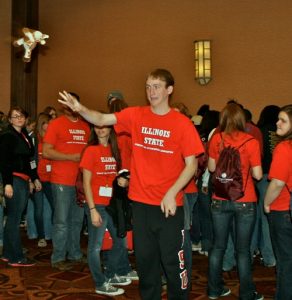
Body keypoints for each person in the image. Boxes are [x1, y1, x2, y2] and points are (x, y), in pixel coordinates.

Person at [58, 68, 204, 300]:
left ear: (169, 90)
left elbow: (191, 165)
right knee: (146, 267)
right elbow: (103, 119)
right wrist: (80, 109)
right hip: (140, 204)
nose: (151, 91)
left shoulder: (182, 124)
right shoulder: (136, 115)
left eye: (156, 86)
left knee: (174, 266)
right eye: (148, 86)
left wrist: (171, 192)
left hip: (169, 206)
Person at [207, 103, 263, 300]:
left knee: (218, 247)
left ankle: (214, 290)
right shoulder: (251, 141)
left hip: (219, 199)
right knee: (243, 249)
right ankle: (247, 293)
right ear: (242, 119)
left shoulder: (216, 139)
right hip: (245, 200)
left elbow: (212, 169)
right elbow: (257, 175)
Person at [81, 124, 133, 296]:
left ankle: (110, 274)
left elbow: (116, 175)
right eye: (97, 126)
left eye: (104, 126)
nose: (101, 129)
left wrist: (122, 181)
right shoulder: (90, 151)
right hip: (97, 204)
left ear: (110, 129)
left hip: (112, 204)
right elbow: (86, 182)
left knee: (120, 241)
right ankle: (100, 282)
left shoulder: (114, 150)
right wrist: (92, 209)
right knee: (95, 247)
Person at [43, 93, 90, 271]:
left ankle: (75, 253)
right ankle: (58, 257)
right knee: (61, 221)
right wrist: (72, 157)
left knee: (77, 221)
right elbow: (47, 152)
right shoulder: (56, 124)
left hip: (80, 181)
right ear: (63, 106)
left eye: (75, 103)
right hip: (61, 179)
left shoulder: (86, 126)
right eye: (69, 104)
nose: (72, 107)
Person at [0, 106, 42, 266]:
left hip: (23, 180)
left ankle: (8, 254)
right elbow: (4, 162)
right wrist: (8, 184)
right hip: (14, 180)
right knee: (14, 218)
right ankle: (16, 257)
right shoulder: (7, 136)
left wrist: (34, 178)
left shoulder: (23, 134)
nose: (19, 118)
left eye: (21, 116)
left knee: (13, 217)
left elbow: (29, 160)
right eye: (15, 116)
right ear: (9, 120)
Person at [264, 104, 292, 300]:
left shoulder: (284, 148)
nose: (277, 123)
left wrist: (266, 203)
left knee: (286, 262)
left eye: (283, 120)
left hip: (284, 210)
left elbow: (278, 183)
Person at [250, 105, 280, 267]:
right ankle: (270, 256)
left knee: (260, 215)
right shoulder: (282, 132)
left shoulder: (259, 130)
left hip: (262, 177)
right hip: (280, 177)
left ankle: (258, 251)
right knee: (271, 217)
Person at [27, 113, 54, 247]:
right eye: (47, 122)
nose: (49, 125)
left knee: (56, 207)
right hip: (37, 179)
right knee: (38, 209)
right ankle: (41, 236)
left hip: (51, 179)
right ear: (41, 123)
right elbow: (30, 160)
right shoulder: (33, 138)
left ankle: (55, 234)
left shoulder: (53, 138)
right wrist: (32, 179)